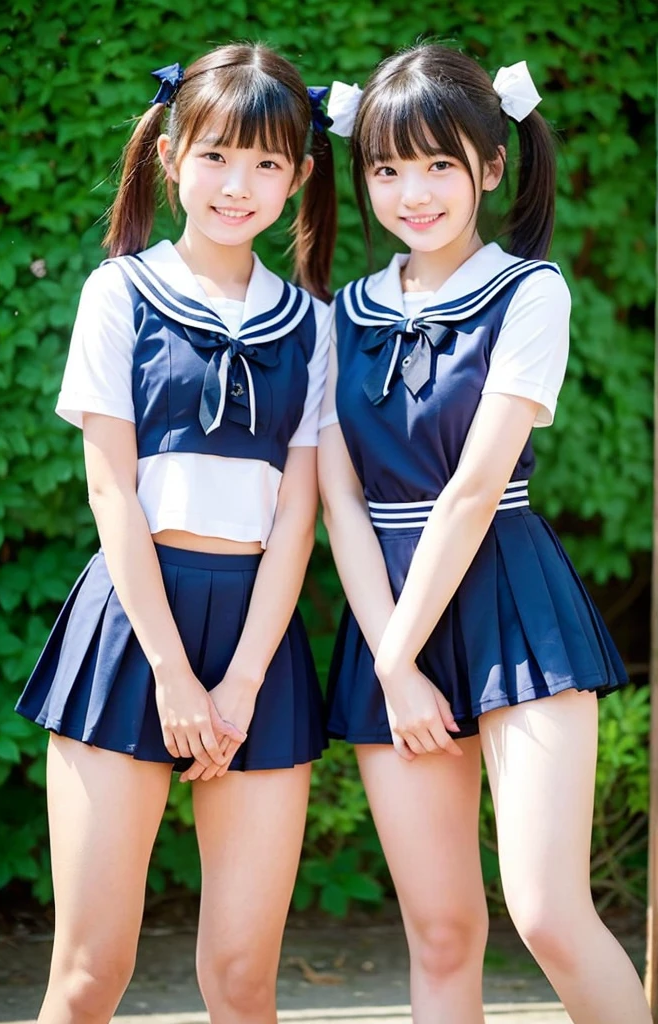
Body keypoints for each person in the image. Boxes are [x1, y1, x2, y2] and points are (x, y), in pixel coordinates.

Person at [319, 45, 649, 1024]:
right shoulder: (341, 313)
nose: (410, 193)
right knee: (439, 931)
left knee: (546, 911)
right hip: (390, 612)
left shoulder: (529, 291)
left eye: (436, 166)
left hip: (508, 599)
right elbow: (339, 499)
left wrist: (390, 659)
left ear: (490, 167)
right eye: (385, 169)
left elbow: (470, 489)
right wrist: (393, 657)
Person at [16, 43, 336, 1024]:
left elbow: (298, 510)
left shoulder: (313, 325)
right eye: (215, 156)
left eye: (266, 163)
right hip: (132, 630)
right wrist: (169, 668)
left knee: (243, 981)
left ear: (298, 176)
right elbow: (112, 489)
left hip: (255, 641)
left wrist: (235, 680)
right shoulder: (118, 294)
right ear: (168, 154)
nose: (237, 185)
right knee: (87, 978)